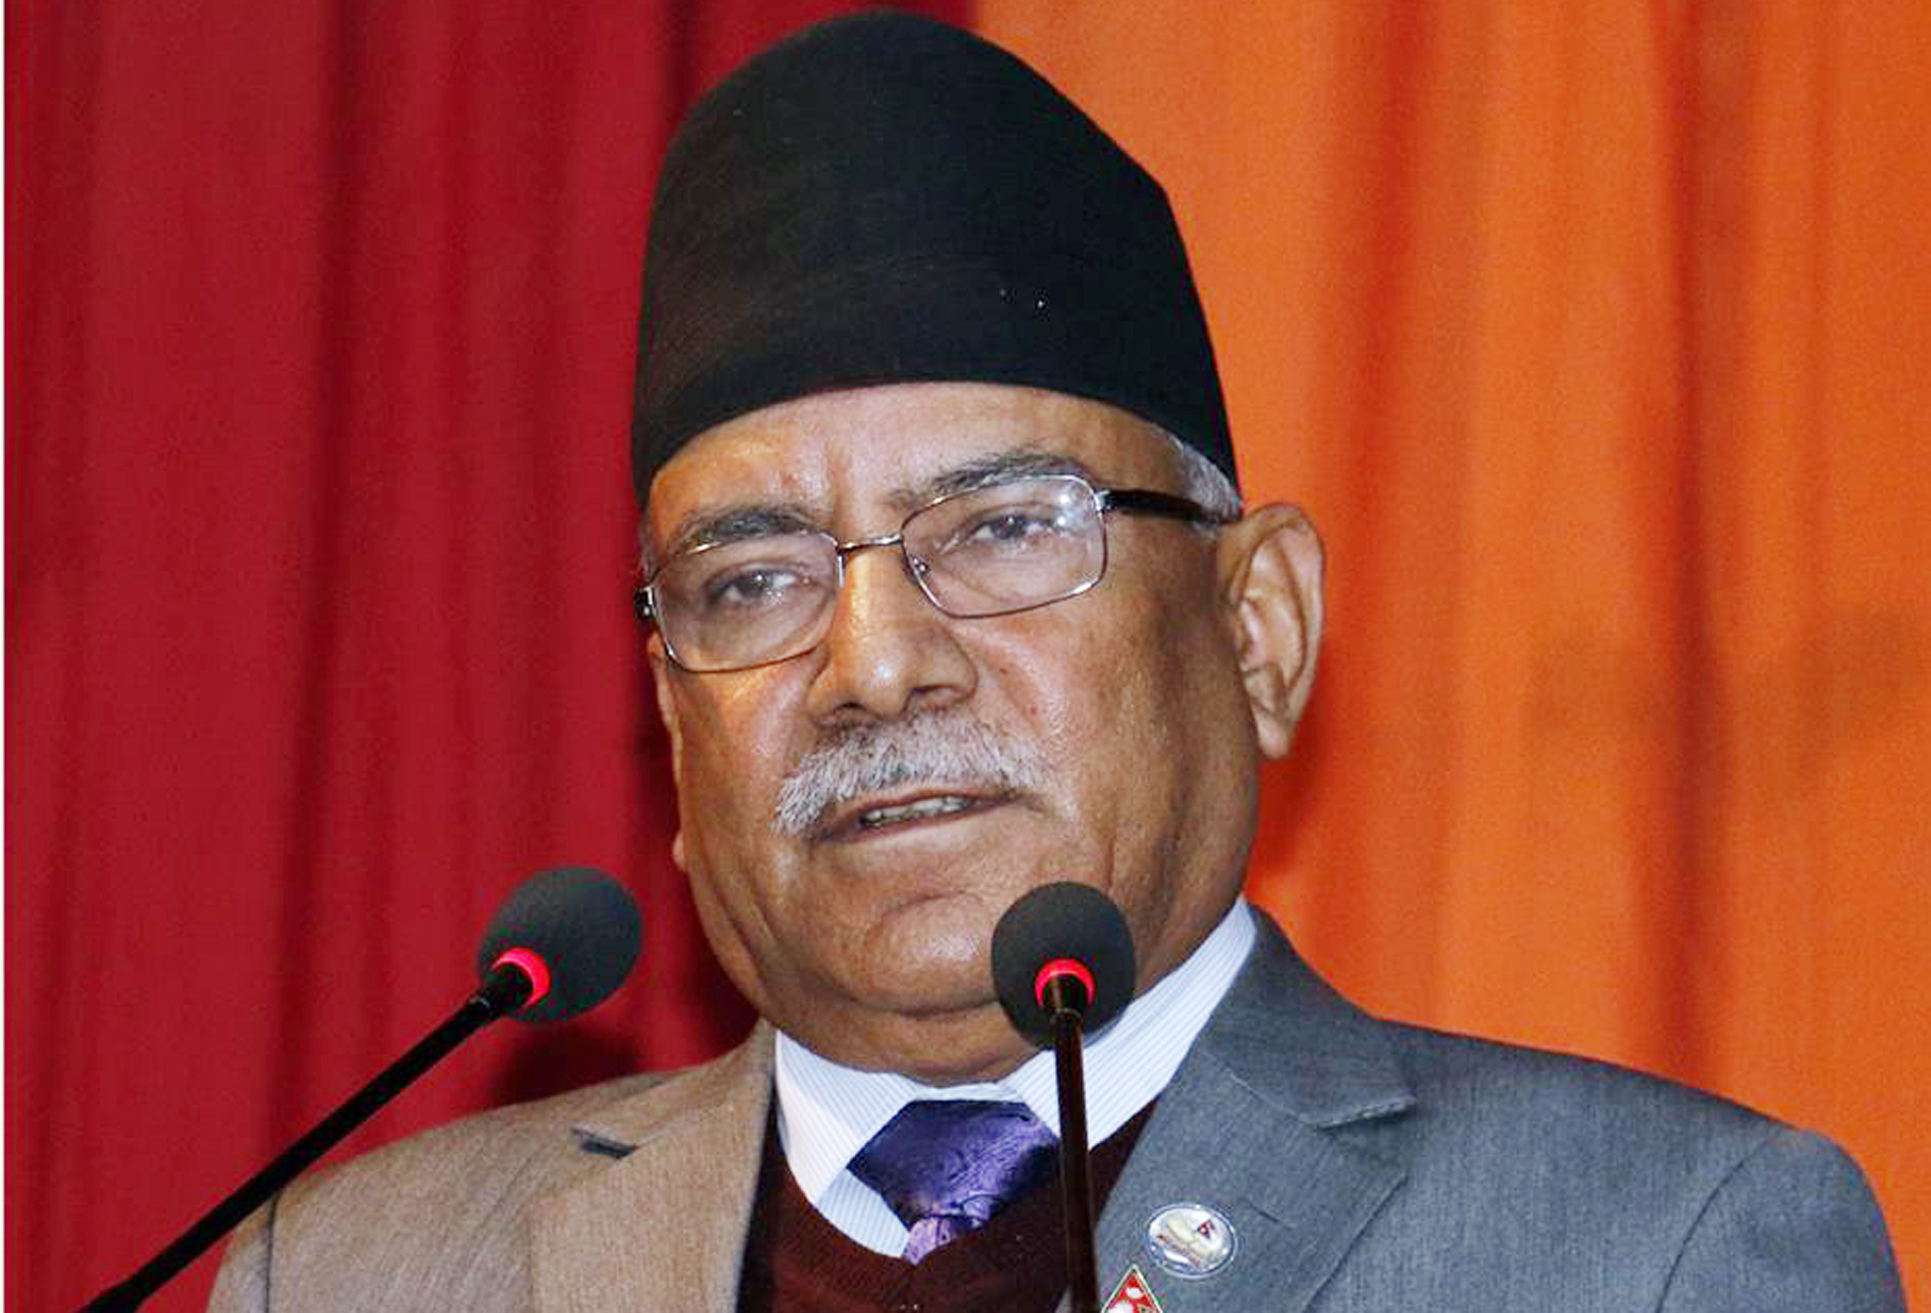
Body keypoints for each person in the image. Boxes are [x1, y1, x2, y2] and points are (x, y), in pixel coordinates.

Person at [209, 13, 1904, 1312]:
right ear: (670, 718)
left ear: (1259, 626)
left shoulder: (1652, 1254)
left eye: (1007, 527)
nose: (876, 666)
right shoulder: (350, 1275)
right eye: (753, 579)